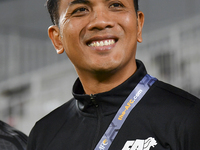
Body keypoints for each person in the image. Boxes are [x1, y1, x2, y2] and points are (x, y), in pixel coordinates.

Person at [27, 0, 200, 149]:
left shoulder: (189, 118)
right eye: (80, 10)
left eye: (116, 5)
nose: (101, 21)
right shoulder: (44, 134)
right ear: (57, 39)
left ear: (138, 25)